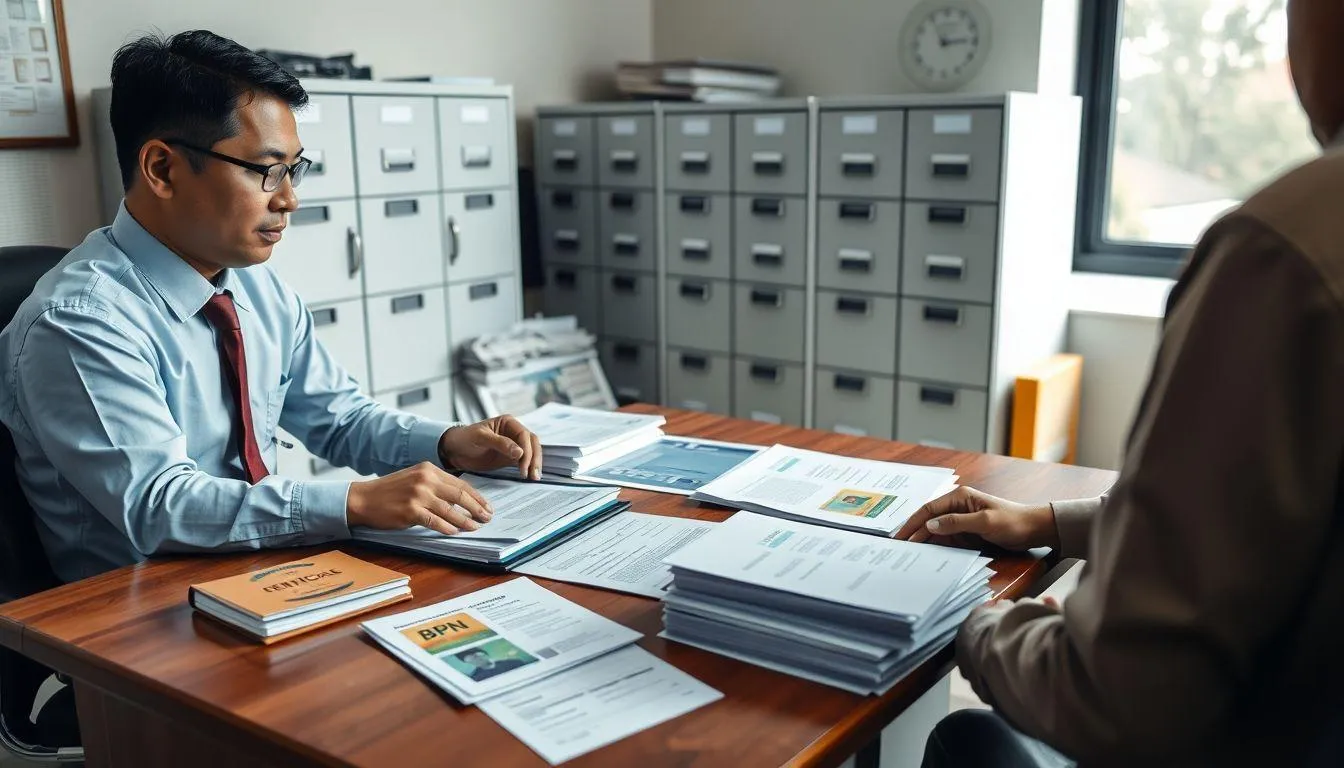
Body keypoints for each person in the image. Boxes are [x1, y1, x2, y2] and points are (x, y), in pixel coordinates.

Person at [898, 2, 1344, 764]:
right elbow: (1279, 532)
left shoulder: (1289, 248)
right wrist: (1048, 521)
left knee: (968, 740)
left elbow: (1120, 703)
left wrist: (972, 621)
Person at [0, 30, 543, 584]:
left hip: (266, 572)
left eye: (294, 169)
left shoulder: (255, 289)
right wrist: (353, 502)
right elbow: (158, 505)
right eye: (266, 170)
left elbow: (340, 419)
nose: (289, 199)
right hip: (137, 615)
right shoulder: (80, 321)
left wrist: (449, 443)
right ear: (162, 169)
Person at [455, 647, 530, 682]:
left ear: (484, 653)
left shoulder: (514, 662)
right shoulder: (476, 678)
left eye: (475, 656)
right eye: (471, 660)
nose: (476, 660)